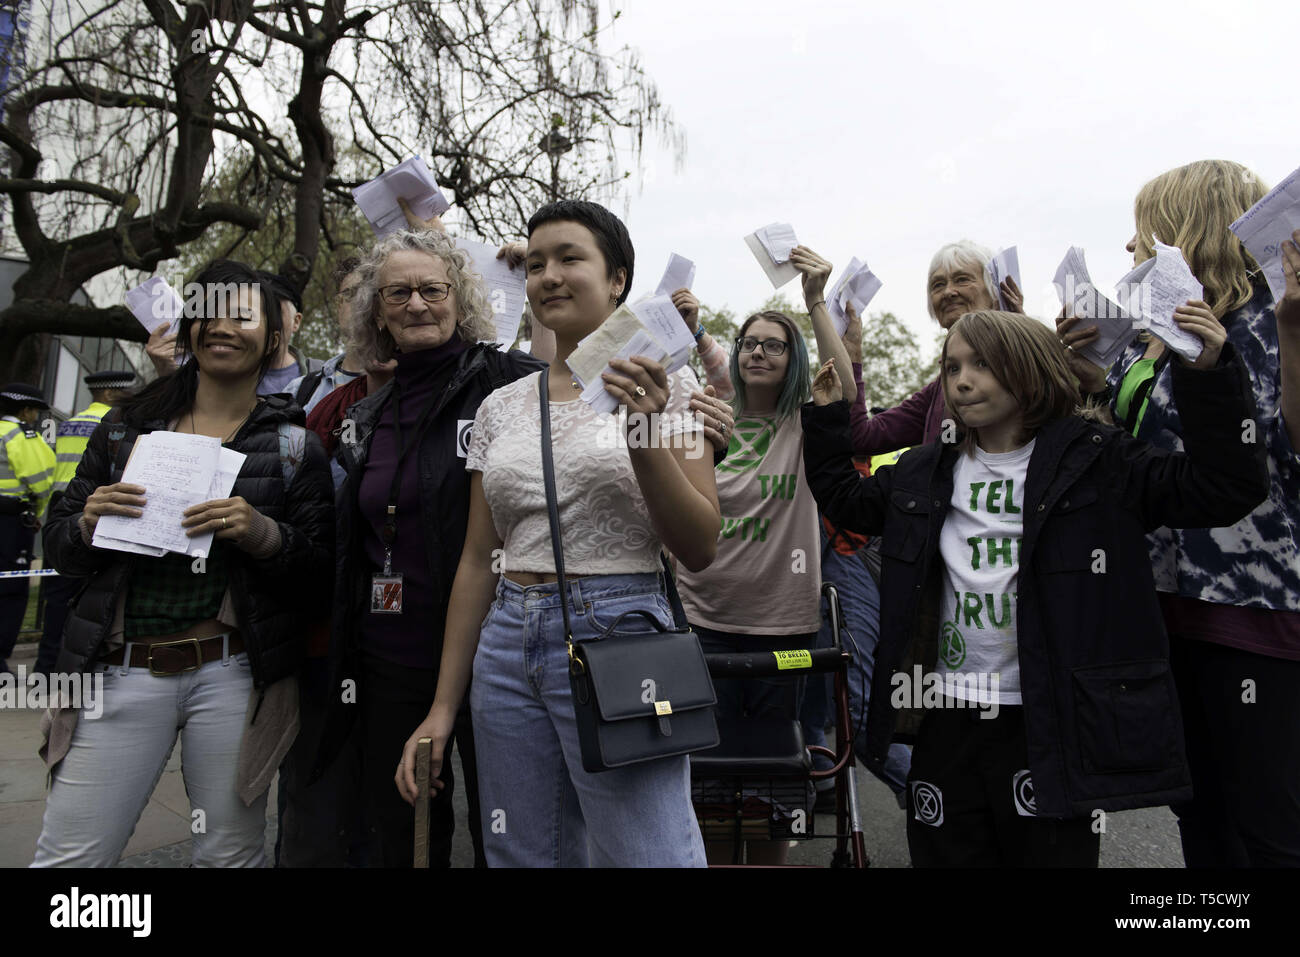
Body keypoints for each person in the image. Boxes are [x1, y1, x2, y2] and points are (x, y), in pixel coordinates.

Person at [802, 308, 1267, 867]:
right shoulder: (923, 470)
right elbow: (846, 501)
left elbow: (1223, 489)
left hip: (1048, 722)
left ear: (1030, 370)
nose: (962, 380)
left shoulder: (1099, 460)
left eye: (982, 365)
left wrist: (1209, 373)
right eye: (951, 367)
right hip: (945, 716)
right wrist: (826, 417)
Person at [395, 199, 720, 867]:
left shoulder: (673, 386)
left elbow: (699, 544)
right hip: (507, 643)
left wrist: (643, 431)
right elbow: (479, 561)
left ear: (618, 280)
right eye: (537, 262)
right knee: (522, 850)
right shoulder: (501, 404)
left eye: (570, 258)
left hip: (621, 629)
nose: (548, 275)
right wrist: (441, 707)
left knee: (646, 852)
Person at [32, 259, 333, 867]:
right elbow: (58, 547)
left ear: (276, 337)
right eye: (210, 313)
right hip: (119, 673)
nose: (224, 327)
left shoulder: (293, 443)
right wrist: (88, 522)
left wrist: (263, 532)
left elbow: (320, 575)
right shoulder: (124, 430)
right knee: (70, 859)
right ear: (189, 327)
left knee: (229, 856)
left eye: (244, 316)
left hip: (232, 678)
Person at [1059, 160, 1300, 867]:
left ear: (1186, 230)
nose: (1132, 247)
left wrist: (1296, 332)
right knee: (1203, 817)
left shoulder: (1270, 317)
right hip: (1168, 607)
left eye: (1144, 232)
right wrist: (1098, 383)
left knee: (1267, 826)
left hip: (1251, 610)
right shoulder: (1162, 336)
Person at [310, 228, 545, 869]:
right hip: (392, 659)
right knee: (406, 835)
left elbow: (594, 394)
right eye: (398, 293)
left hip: (498, 650)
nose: (416, 304)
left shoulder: (510, 383)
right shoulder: (365, 415)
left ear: (458, 297)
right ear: (377, 311)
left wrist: (692, 421)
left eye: (431, 289)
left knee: (510, 834)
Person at [673, 246, 857, 865]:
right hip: (704, 625)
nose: (758, 351)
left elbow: (846, 388)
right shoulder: (708, 418)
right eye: (749, 341)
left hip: (785, 629)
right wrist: (695, 330)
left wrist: (813, 302)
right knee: (715, 789)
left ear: (794, 359)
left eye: (774, 344)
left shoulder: (805, 425)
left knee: (776, 788)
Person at [849, 240, 1022, 454]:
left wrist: (1020, 344)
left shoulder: (1030, 362)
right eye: (938, 285)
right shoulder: (937, 392)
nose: (949, 292)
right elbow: (862, 438)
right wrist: (851, 353)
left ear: (995, 291)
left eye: (962, 279)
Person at [36, 370, 136, 677]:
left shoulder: (69, 422)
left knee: (54, 594)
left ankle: (46, 664)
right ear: (109, 394)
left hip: (61, 506)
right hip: (92, 506)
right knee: (86, 594)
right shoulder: (113, 423)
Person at [0, 384, 55, 677]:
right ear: (25, 411)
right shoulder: (22, 435)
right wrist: (38, 512)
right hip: (9, 522)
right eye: (34, 412)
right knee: (11, 591)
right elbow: (41, 479)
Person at [287, 258, 368, 416]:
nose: (362, 301)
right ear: (338, 305)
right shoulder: (300, 391)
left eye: (370, 293)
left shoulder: (408, 386)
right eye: (351, 293)